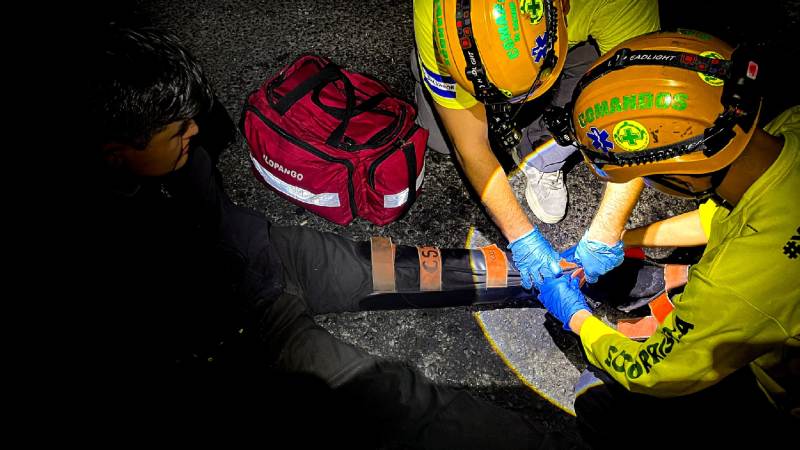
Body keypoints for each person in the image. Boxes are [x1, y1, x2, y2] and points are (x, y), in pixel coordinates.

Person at [75, 25, 571, 448]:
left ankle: (558, 277)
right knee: (401, 400)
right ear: (115, 152)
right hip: (245, 329)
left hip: (271, 253)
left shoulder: (172, 157)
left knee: (411, 270)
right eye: (177, 130)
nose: (194, 133)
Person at [537, 30, 798, 443]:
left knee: (597, 397)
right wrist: (623, 240)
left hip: (781, 392)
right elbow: (725, 217)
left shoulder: (742, 281)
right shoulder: (789, 130)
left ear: (679, 173)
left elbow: (653, 372)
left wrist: (577, 317)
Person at [410, 0, 659, 299]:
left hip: (580, 38)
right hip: (464, 51)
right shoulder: (437, 13)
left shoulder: (621, 6)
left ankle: (543, 148)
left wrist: (607, 231)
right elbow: (469, 145)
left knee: (597, 79)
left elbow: (637, 126)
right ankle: (436, 68)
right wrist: (522, 237)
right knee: (441, 139)